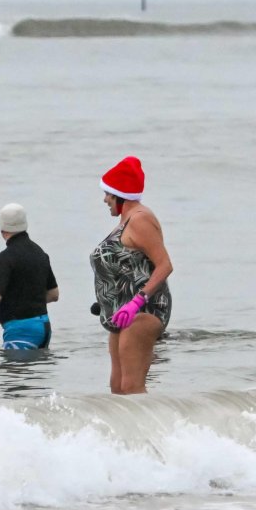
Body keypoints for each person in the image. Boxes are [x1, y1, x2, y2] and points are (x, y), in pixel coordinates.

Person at [90, 156, 173, 394]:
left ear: (120, 194)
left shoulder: (140, 219)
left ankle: (157, 431)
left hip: (142, 313)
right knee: (117, 388)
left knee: (132, 387)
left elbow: (165, 265)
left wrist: (137, 301)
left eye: (108, 193)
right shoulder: (124, 221)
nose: (105, 199)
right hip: (120, 316)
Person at [0, 203, 59, 349]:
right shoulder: (40, 254)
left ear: (2, 229)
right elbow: (53, 294)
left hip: (21, 332)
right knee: (36, 371)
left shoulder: (5, 259)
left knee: (11, 371)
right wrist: (28, 301)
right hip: (43, 327)